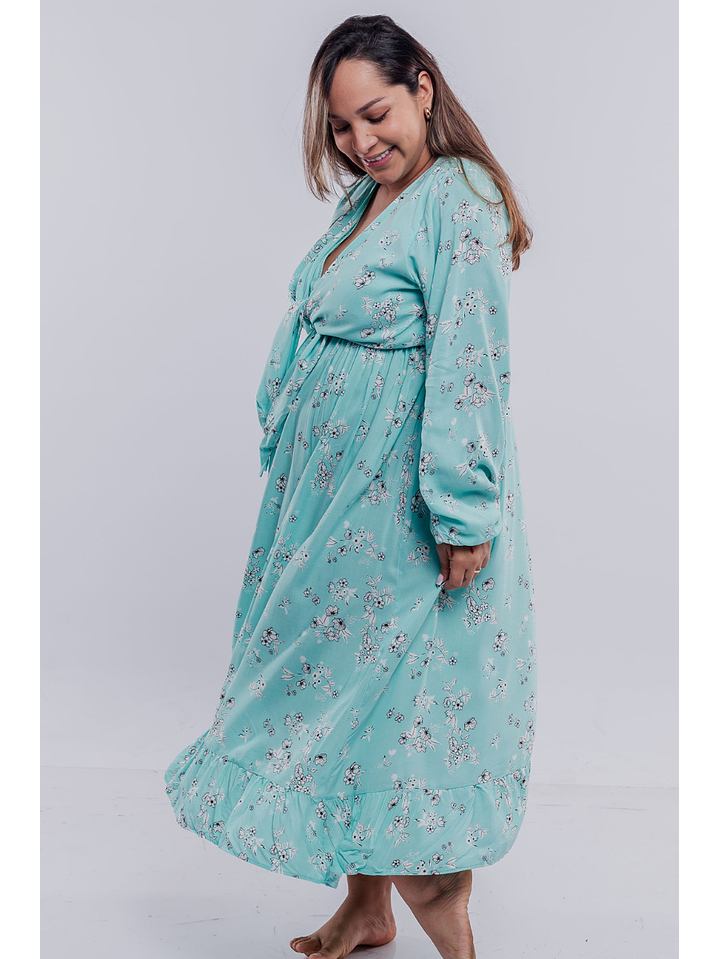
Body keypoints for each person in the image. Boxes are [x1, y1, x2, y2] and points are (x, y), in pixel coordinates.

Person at [165, 14, 537, 959]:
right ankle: (365, 908)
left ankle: (447, 926)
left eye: (374, 115)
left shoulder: (459, 197)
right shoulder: (371, 198)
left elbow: (470, 364)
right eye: (339, 126)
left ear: (422, 88)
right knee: (347, 692)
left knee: (403, 697)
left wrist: (462, 511)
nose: (359, 141)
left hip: (402, 507)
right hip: (334, 504)